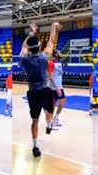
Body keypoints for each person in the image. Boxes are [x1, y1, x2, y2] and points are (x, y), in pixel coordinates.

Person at [19, 22, 62, 157]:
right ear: (39, 46)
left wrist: (31, 33)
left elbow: (23, 46)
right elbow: (50, 43)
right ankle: (49, 123)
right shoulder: (44, 57)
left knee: (35, 120)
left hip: (32, 93)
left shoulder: (24, 59)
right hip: (45, 90)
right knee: (50, 110)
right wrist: (53, 27)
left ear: (29, 49)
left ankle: (35, 146)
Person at [48, 49, 65, 126]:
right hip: (54, 88)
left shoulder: (59, 63)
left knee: (62, 102)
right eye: (59, 53)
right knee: (53, 105)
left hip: (59, 86)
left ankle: (55, 118)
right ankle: (50, 122)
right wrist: (57, 88)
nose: (60, 54)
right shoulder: (51, 63)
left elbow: (59, 73)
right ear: (55, 54)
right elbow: (51, 77)